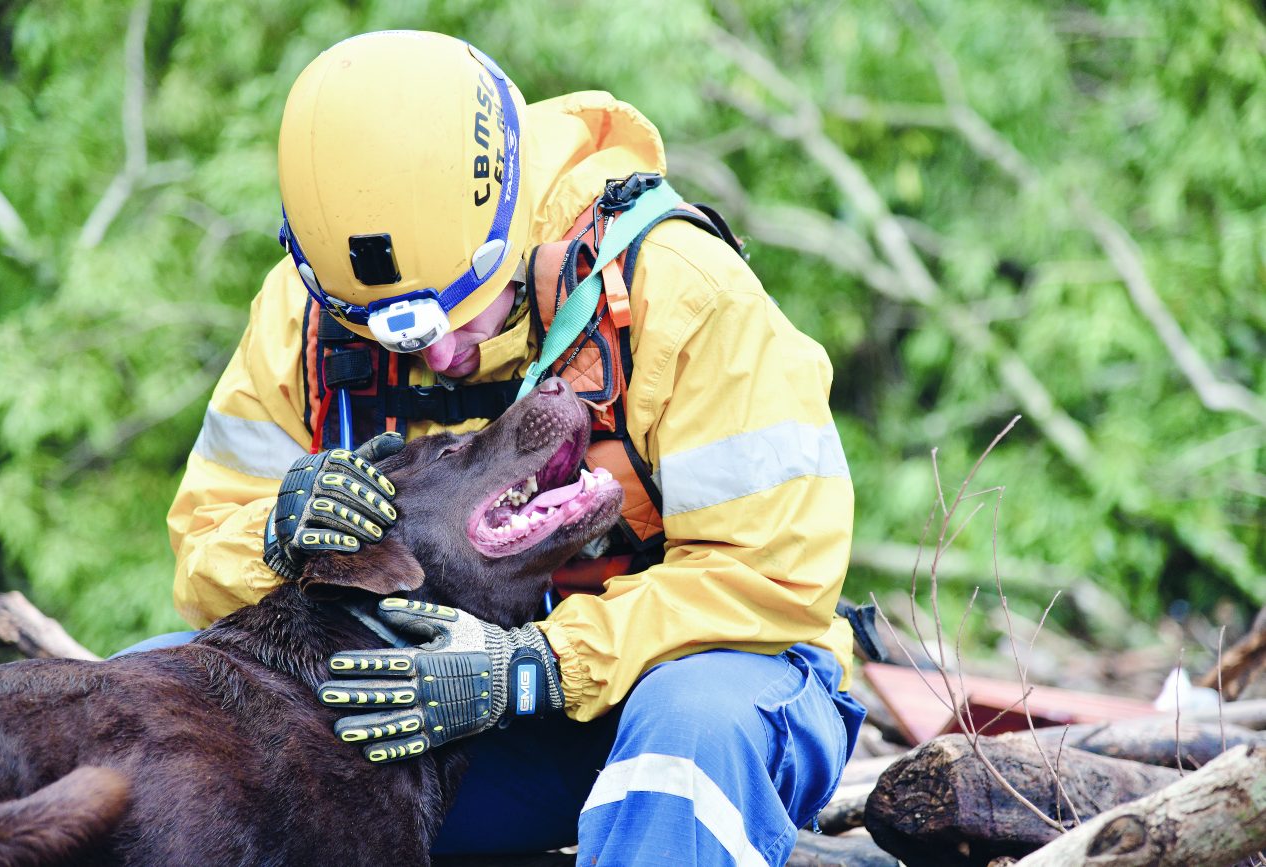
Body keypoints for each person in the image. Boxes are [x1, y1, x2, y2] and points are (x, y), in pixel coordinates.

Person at [166, 30, 864, 866]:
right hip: (451, 713)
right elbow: (203, 562)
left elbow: (775, 580)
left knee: (684, 738)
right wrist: (274, 535)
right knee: (165, 707)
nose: (440, 356)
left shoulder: (680, 291)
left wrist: (535, 666)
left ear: (506, 220)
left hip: (711, 687)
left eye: (462, 305)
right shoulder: (306, 314)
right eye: (393, 328)